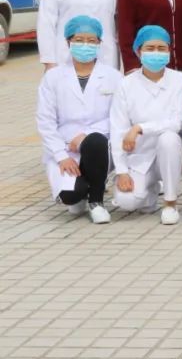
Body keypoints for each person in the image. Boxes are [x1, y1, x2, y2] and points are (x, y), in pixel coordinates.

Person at [36, 16, 123, 224]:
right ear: (68, 42)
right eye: (79, 40)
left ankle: (96, 201)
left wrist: (85, 137)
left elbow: (119, 117)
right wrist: (61, 156)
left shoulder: (113, 77)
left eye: (92, 41)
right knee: (71, 196)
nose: (85, 45)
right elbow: (45, 121)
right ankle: (83, 191)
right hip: (66, 149)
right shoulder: (53, 77)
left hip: (100, 146)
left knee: (94, 141)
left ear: (99, 43)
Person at [109, 25, 182, 225]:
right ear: (138, 51)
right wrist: (121, 171)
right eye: (150, 48)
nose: (156, 53)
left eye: (161, 48)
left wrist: (139, 128)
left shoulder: (181, 81)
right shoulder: (126, 84)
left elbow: (177, 122)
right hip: (139, 155)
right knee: (127, 201)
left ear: (169, 51)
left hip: (170, 155)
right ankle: (149, 190)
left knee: (169, 138)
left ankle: (170, 202)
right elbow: (118, 129)